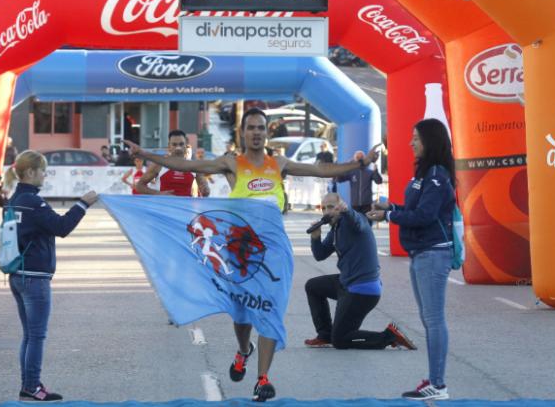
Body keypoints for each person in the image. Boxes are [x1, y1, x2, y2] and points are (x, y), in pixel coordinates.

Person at [125, 108, 380, 402]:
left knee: (270, 311)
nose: (257, 132)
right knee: (243, 313)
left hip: (274, 253)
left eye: (261, 127)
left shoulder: (279, 163)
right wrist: (145, 153)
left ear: (266, 132)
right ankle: (244, 350)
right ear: (243, 133)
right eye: (251, 128)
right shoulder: (231, 163)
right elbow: (180, 162)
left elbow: (321, 170)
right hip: (240, 252)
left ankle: (262, 380)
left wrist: (358, 164)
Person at [367, 118, 456, 401]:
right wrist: (390, 207)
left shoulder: (437, 175)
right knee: (429, 320)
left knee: (434, 319)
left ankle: (439, 385)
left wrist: (389, 216)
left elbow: (424, 216)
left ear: (429, 141)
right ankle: (434, 380)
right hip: (421, 253)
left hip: (433, 253)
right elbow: (415, 209)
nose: (410, 142)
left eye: (415, 138)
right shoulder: (425, 173)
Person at [3, 150, 98, 401]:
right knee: (37, 336)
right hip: (34, 276)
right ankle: (32, 386)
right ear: (30, 172)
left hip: (17, 273)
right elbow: (61, 227)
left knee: (29, 335)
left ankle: (28, 385)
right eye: (42, 170)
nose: (45, 174)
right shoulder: (35, 202)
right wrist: (82, 204)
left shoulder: (13, 200)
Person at [304, 192, 416, 351]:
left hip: (362, 291)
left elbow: (359, 223)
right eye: (323, 208)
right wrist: (315, 238)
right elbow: (320, 255)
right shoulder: (335, 229)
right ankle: (324, 335)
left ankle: (389, 336)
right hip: (347, 283)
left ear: (340, 208)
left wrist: (348, 210)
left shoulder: (353, 221)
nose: (327, 212)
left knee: (341, 340)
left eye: (331, 207)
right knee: (313, 286)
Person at [134, 130, 209, 197]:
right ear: (169, 146)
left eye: (181, 144)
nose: (178, 147)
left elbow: (205, 191)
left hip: (185, 211)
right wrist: (158, 193)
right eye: (174, 144)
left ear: (186, 145)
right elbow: (139, 186)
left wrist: (205, 190)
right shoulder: (159, 164)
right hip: (164, 210)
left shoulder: (194, 166)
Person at [337, 150, 383, 221]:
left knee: (367, 224)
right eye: (357, 157)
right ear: (354, 159)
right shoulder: (351, 172)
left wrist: (375, 171)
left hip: (366, 204)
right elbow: (339, 180)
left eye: (361, 157)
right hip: (355, 204)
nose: (360, 159)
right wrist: (346, 165)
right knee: (356, 225)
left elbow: (379, 181)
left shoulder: (369, 172)